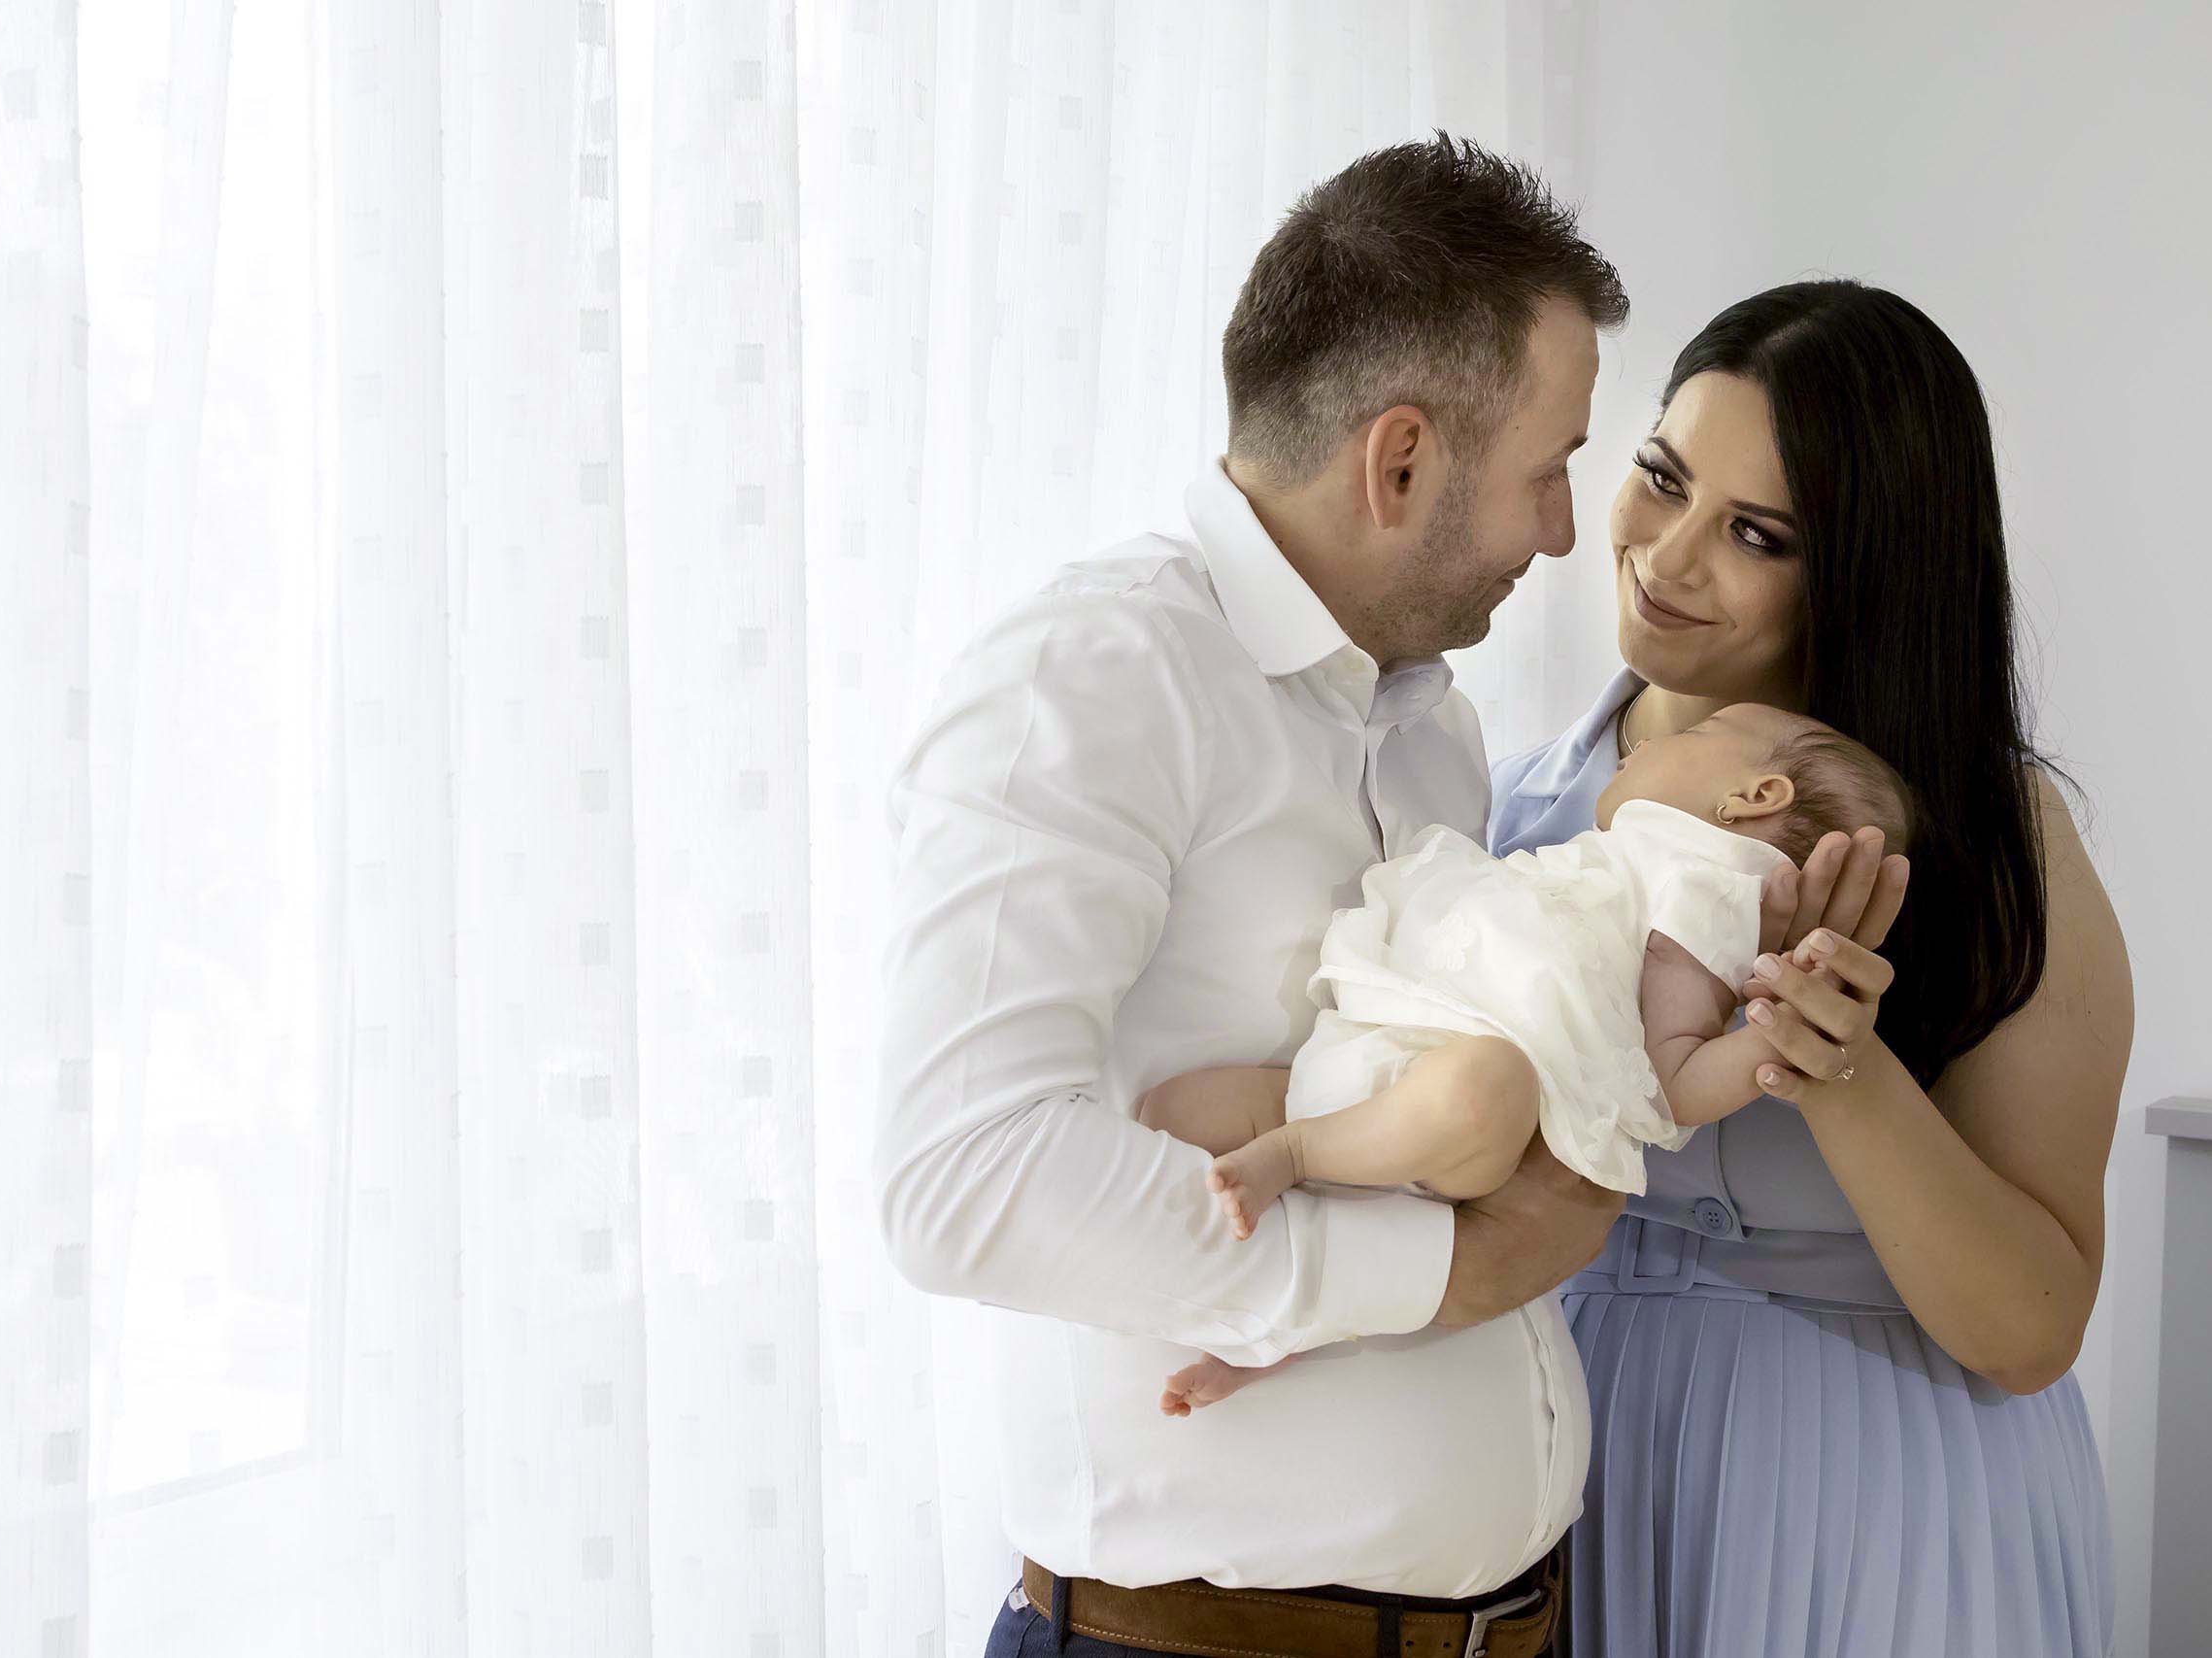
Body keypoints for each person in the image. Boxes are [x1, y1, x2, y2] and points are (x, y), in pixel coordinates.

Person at [877, 135, 1633, 1654]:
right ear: (1400, 459)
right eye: (1548, 467)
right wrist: (1442, 1270)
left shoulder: (1437, 728)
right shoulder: (1091, 678)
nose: (1563, 531)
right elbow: (960, 1175)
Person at [1494, 280, 2130, 1656]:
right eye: (1661, 478)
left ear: (1870, 569)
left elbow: (2027, 1329)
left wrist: (1835, 1064)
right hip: (1557, 1464)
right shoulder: (1503, 814)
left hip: (1877, 1492)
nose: (1665, 556)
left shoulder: (1991, 837)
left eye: (1756, 535)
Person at [1137, 705, 1916, 1417]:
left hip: (1470, 1090)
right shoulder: (1608, 846)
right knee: (1173, 1110)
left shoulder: (1706, 879)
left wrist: (1772, 1031)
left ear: (1752, 796)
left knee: (1482, 1088)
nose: (1642, 743)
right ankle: (1261, 1331)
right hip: (1392, 1032)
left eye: (1687, 738)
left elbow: (1673, 1081)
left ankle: (1295, 1172)